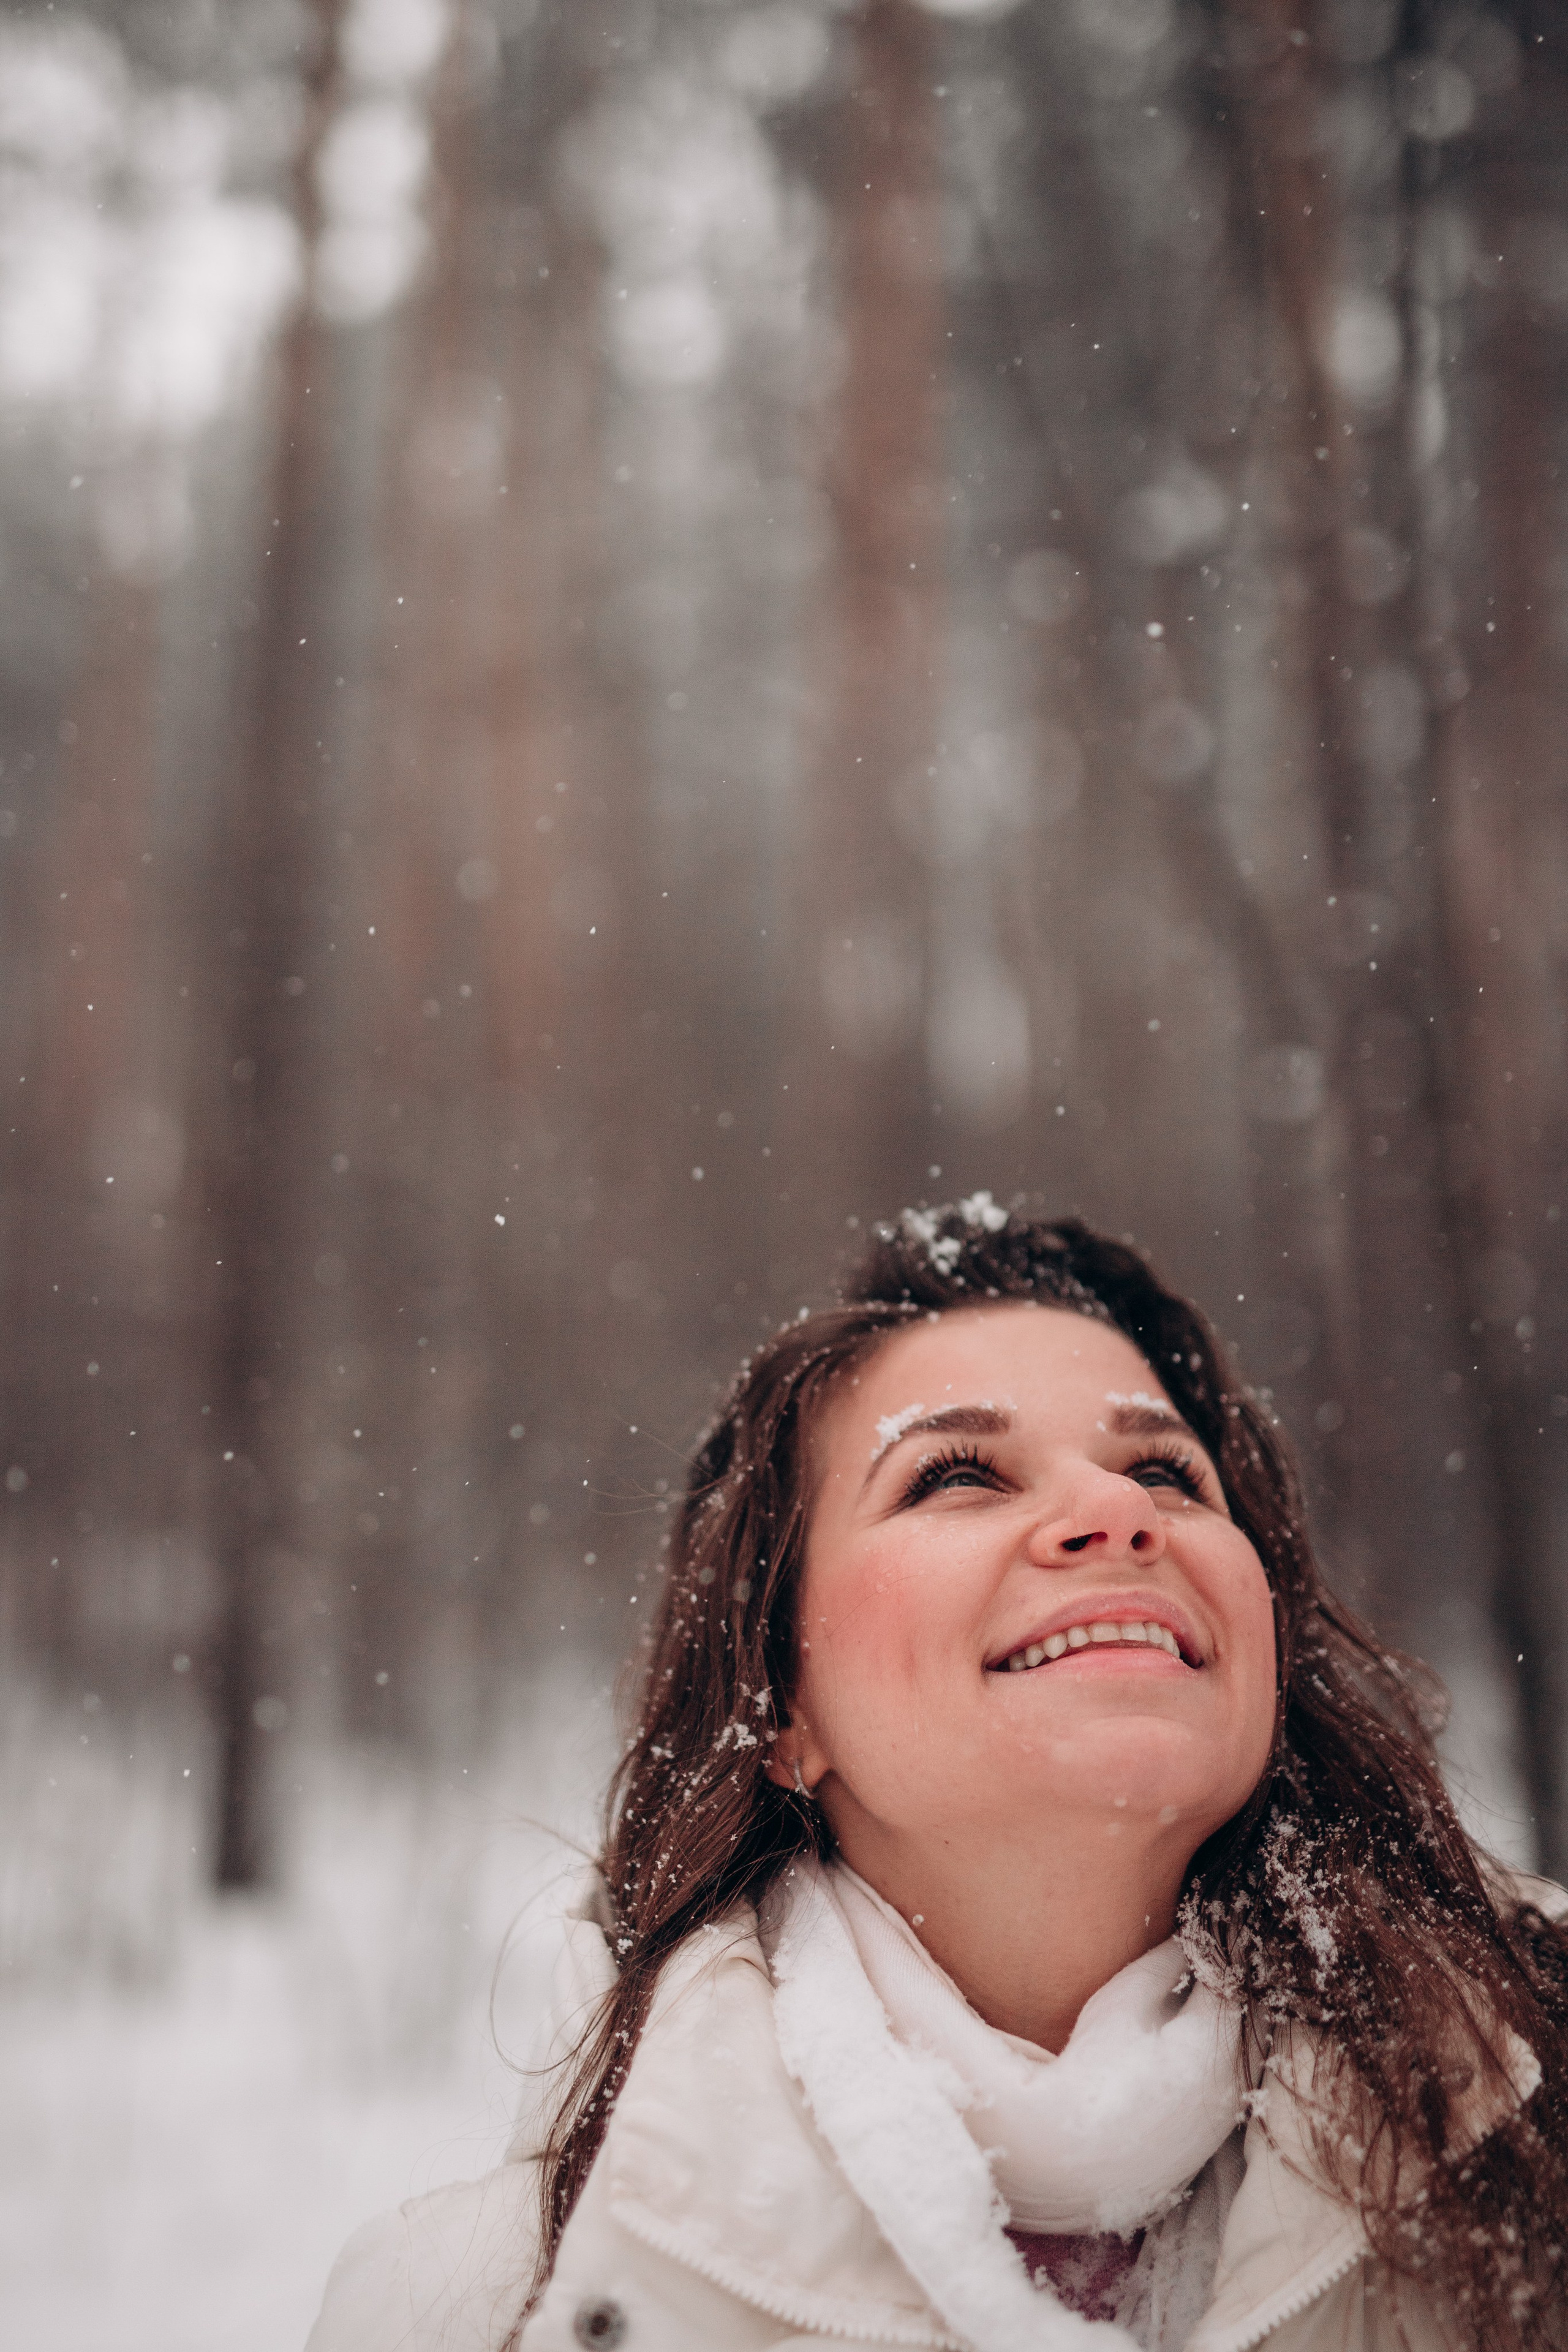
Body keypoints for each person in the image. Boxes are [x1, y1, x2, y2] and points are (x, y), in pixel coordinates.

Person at [307, 1200, 1568, 2352]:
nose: (1114, 1515)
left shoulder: (1540, 2132)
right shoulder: (470, 2315)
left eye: (1164, 1473)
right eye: (955, 1474)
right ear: (779, 1704)